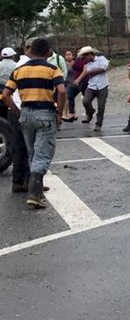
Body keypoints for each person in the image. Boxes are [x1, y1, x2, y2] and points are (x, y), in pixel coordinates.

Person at [1, 37, 67, 209]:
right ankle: (34, 194)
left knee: (32, 154)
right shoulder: (53, 69)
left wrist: (18, 111)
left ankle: (34, 190)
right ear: (48, 52)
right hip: (45, 113)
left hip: (26, 114)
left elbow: (6, 95)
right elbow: (61, 91)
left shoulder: (19, 70)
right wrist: (59, 112)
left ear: (31, 50)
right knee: (43, 155)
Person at [0, 46, 31, 194]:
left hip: (12, 107)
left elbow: (6, 93)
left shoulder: (17, 66)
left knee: (18, 146)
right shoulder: (27, 66)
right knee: (31, 148)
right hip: (25, 108)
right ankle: (29, 182)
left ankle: (17, 182)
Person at [76, 46, 109, 132]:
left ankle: (98, 124)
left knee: (101, 106)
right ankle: (90, 112)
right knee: (85, 101)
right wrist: (79, 79)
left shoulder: (102, 59)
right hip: (91, 86)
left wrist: (89, 72)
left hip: (102, 85)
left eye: (85, 56)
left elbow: (103, 68)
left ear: (90, 54)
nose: (85, 59)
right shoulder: (87, 64)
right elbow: (85, 72)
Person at [63, 50, 81, 123]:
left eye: (69, 54)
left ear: (72, 56)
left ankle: (69, 113)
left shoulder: (75, 64)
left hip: (74, 83)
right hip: (66, 83)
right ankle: (71, 113)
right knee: (69, 97)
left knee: (69, 97)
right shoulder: (64, 64)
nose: (68, 56)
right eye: (66, 55)